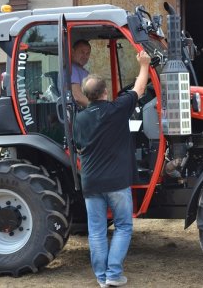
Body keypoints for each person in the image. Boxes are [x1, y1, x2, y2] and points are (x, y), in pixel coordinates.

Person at [73, 50, 151, 288]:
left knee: (96, 231)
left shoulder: (80, 119)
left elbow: (79, 149)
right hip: (117, 181)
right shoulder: (117, 109)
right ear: (105, 92)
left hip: (91, 182)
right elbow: (138, 89)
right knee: (124, 225)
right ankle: (114, 273)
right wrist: (144, 64)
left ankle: (101, 277)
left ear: (87, 96)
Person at [71, 39, 92, 107]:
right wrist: (97, 107)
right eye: (82, 52)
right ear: (73, 52)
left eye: (87, 53)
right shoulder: (72, 69)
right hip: (77, 112)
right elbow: (77, 96)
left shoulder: (83, 71)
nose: (85, 56)